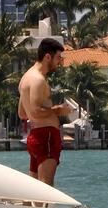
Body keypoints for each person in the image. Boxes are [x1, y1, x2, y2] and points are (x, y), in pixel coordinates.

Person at [17, 37, 71, 186]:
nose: (60, 62)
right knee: (46, 186)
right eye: (58, 57)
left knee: (35, 188)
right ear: (48, 56)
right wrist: (58, 110)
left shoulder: (25, 78)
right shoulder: (38, 79)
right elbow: (35, 112)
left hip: (35, 136)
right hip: (46, 136)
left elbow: (22, 113)